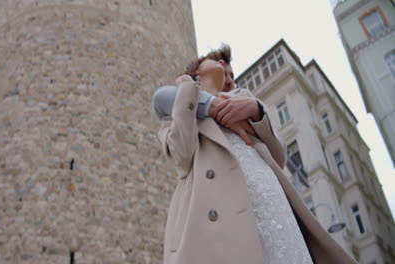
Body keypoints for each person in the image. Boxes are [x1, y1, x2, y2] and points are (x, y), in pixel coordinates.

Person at [152, 45, 358, 264]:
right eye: (220, 66)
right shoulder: (180, 107)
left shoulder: (245, 100)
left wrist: (257, 110)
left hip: (271, 207)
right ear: (196, 74)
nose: (229, 76)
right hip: (219, 217)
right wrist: (191, 94)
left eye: (232, 75)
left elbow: (279, 159)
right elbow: (182, 157)